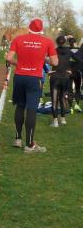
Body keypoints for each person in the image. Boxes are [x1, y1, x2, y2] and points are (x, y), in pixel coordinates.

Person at [6, 18, 58, 153]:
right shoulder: (47, 41)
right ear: (41, 30)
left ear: (29, 28)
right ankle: (29, 145)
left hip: (19, 77)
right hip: (35, 78)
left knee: (20, 106)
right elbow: (55, 62)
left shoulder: (18, 39)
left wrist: (19, 64)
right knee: (31, 109)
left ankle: (18, 139)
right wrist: (43, 58)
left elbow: (9, 58)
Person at [49, 35, 73, 127]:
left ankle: (55, 121)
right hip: (65, 77)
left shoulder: (54, 51)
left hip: (55, 76)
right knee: (63, 98)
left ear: (57, 42)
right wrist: (71, 69)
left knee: (54, 100)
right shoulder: (69, 51)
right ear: (65, 42)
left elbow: (45, 59)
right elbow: (78, 60)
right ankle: (63, 119)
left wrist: (48, 70)